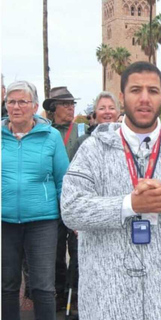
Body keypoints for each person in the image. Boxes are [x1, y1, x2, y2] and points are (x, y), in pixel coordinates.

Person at [60, 62, 161, 320]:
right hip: (109, 299)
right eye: (136, 90)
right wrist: (129, 205)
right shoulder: (93, 149)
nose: (144, 99)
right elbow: (71, 209)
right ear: (122, 97)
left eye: (153, 91)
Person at [2, 81, 69, 320]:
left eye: (22, 101)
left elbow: (63, 180)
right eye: (11, 101)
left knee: (42, 286)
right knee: (7, 287)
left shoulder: (50, 137)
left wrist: (69, 218)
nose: (16, 107)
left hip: (42, 223)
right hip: (5, 221)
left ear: (34, 106)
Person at [43, 86, 84, 311]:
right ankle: (58, 292)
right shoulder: (46, 132)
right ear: (54, 108)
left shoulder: (82, 130)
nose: (70, 108)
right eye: (65, 104)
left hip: (77, 197)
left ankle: (74, 292)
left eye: (72, 104)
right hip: (53, 200)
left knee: (77, 250)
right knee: (55, 250)